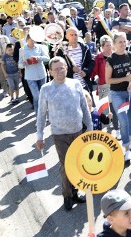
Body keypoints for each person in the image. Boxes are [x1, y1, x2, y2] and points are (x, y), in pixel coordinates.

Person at [36, 57, 92, 211]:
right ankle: (67, 195)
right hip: (60, 134)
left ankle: (75, 192)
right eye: (56, 69)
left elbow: (84, 107)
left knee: (77, 163)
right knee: (66, 165)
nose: (59, 71)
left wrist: (91, 127)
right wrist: (39, 136)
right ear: (50, 72)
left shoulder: (75, 84)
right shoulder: (46, 89)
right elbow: (41, 114)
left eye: (62, 68)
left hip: (78, 131)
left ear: (66, 68)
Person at [105, 31, 131, 164]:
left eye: (124, 41)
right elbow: (108, 80)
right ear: (114, 44)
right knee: (123, 120)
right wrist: (125, 78)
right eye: (120, 42)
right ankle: (126, 149)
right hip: (117, 94)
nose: (123, 44)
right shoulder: (110, 60)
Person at [90, 35, 119, 136]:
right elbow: (93, 72)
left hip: (115, 84)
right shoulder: (98, 57)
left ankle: (116, 127)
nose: (109, 47)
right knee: (106, 110)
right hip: (104, 85)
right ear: (102, 47)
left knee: (115, 107)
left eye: (110, 45)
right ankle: (109, 129)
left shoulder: (115, 55)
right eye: (107, 45)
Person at [55, 27, 95, 92]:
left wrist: (86, 72)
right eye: (71, 35)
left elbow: (91, 62)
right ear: (66, 36)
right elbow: (58, 67)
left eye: (75, 34)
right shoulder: (62, 50)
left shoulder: (84, 48)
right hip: (69, 86)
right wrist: (71, 70)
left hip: (84, 85)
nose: (74, 36)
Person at [19, 33, 50, 114]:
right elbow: (19, 64)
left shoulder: (41, 47)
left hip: (42, 75)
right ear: (27, 40)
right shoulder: (22, 50)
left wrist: (38, 58)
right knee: (37, 97)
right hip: (30, 76)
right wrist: (23, 63)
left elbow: (47, 58)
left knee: (42, 96)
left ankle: (44, 113)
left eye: (34, 40)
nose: (33, 42)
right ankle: (39, 116)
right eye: (31, 40)